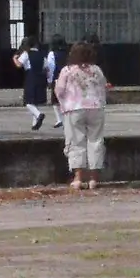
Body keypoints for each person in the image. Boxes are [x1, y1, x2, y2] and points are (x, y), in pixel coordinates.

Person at [54, 41, 109, 191]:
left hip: (74, 108)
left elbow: (59, 90)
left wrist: (63, 103)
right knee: (96, 141)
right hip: (96, 107)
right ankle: (94, 179)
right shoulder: (96, 70)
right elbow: (104, 85)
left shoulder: (67, 70)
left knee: (75, 141)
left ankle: (78, 178)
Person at [15, 35, 53, 131]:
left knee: (28, 101)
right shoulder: (42, 55)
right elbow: (47, 68)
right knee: (35, 101)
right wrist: (49, 80)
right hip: (41, 77)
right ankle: (35, 124)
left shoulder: (26, 54)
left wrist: (14, 58)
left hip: (31, 77)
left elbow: (19, 64)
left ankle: (38, 115)